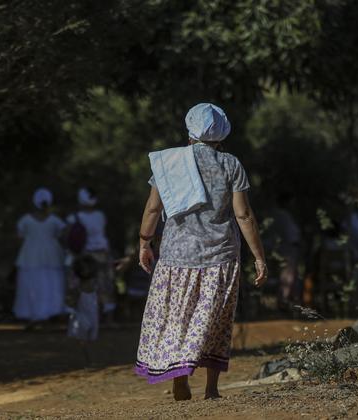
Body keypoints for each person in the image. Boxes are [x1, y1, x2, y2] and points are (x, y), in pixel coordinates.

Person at [134, 103, 267, 401]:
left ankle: (181, 376)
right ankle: (211, 387)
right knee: (215, 319)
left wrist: (144, 242)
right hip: (219, 257)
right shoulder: (230, 163)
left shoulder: (169, 162)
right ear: (222, 131)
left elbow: (154, 208)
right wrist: (259, 257)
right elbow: (244, 216)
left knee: (179, 318)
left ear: (190, 129)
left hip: (176, 258)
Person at [13, 187, 67, 327]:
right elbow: (63, 236)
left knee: (32, 285)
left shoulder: (25, 220)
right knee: (51, 285)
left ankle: (35, 315)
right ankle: (48, 314)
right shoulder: (55, 220)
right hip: (51, 255)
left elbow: (19, 238)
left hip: (30, 255)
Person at [66, 187, 116, 324]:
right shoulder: (100, 215)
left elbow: (67, 237)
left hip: (83, 256)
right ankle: (108, 317)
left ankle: (74, 317)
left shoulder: (73, 218)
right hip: (102, 254)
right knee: (104, 285)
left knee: (77, 285)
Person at [65, 255, 100, 363]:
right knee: (83, 339)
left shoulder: (95, 286)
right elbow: (72, 302)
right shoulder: (78, 288)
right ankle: (86, 358)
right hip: (81, 316)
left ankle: (87, 357)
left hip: (92, 315)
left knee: (90, 339)